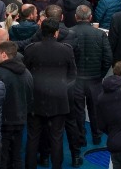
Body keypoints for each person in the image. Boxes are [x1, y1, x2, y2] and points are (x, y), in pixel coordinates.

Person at [24, 18, 77, 169]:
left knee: (33, 137)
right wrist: (61, 88)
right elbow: (73, 75)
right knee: (57, 138)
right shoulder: (66, 50)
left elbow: (26, 75)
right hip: (58, 100)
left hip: (35, 100)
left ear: (41, 31)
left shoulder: (30, 49)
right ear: (56, 33)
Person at [67, 5, 112, 160]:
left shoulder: (70, 33)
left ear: (76, 17)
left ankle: (81, 138)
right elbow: (108, 58)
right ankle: (97, 136)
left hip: (76, 80)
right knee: (95, 109)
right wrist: (101, 74)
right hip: (94, 79)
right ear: (91, 17)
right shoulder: (100, 34)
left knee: (78, 111)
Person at [0, 41, 34, 169]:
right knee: (17, 154)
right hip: (20, 120)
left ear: (4, 54)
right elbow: (30, 97)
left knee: (3, 155)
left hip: (3, 122)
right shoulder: (27, 73)